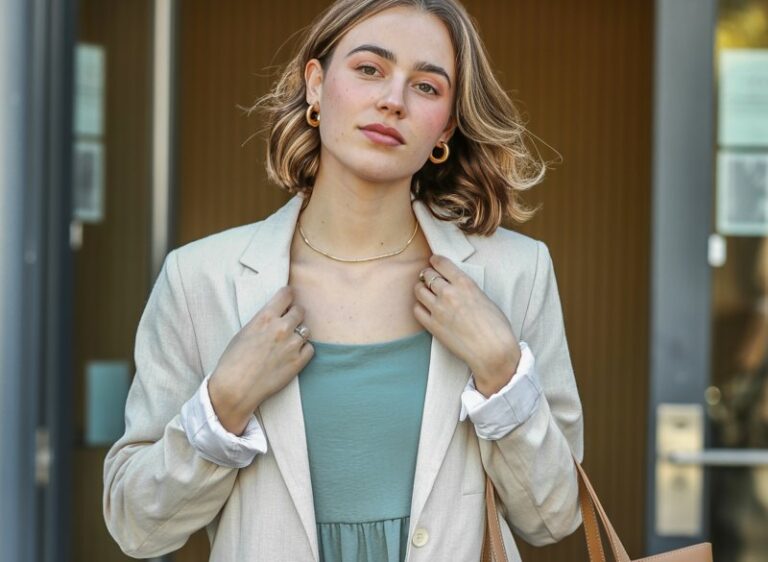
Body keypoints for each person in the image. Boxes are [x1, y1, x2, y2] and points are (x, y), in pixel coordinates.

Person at [103, 0, 584, 560]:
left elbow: (554, 516)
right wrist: (224, 404)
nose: (392, 100)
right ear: (315, 84)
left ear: (446, 126)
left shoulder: (516, 274)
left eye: (426, 87)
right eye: (369, 70)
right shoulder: (200, 279)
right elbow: (138, 527)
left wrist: (502, 374)